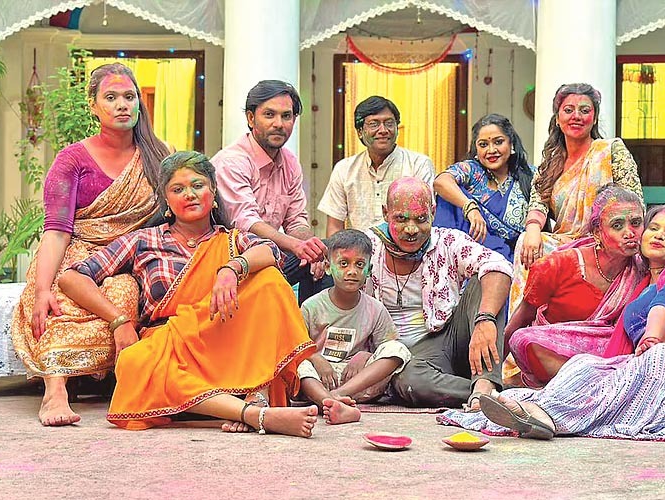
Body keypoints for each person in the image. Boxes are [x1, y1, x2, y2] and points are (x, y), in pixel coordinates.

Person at [439, 205, 665, 447]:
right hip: (650, 370)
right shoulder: (639, 284)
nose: (659, 234)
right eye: (654, 227)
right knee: (586, 364)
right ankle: (532, 407)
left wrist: (652, 338)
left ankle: (553, 418)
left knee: (661, 356)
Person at [58, 151, 319, 436]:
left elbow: (271, 252)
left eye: (198, 185)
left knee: (269, 279)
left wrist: (231, 268)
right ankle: (254, 414)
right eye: (178, 189)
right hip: (172, 344)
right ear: (166, 199)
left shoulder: (232, 240)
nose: (190, 195)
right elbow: (72, 278)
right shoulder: (144, 240)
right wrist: (118, 321)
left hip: (225, 341)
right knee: (133, 364)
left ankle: (254, 396)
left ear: (213, 192)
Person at [11, 63, 170, 427]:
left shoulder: (159, 157)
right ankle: (55, 391)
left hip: (127, 257)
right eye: (110, 97)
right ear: (93, 106)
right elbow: (57, 231)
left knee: (124, 294)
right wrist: (41, 288)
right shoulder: (72, 159)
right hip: (75, 249)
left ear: (139, 103)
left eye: (129, 97)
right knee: (59, 299)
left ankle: (130, 384)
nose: (122, 105)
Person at [365, 177, 512, 408]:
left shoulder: (448, 240)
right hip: (401, 359)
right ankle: (491, 395)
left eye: (420, 219)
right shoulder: (368, 246)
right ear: (386, 213)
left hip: (449, 337)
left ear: (433, 213)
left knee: (487, 278)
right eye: (401, 219)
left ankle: (485, 383)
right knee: (410, 381)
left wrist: (485, 319)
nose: (411, 229)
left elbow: (499, 266)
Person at [511, 82, 643, 311]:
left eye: (584, 110)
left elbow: (635, 201)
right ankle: (523, 322)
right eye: (568, 110)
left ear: (594, 117)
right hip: (565, 242)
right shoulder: (551, 163)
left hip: (605, 241)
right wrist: (532, 231)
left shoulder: (610, 151)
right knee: (527, 243)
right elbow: (538, 203)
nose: (576, 116)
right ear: (557, 118)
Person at [504, 185, 646, 388]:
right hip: (559, 359)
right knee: (522, 339)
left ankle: (596, 386)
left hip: (614, 358)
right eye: (617, 225)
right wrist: (488, 379)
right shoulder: (556, 265)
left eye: (636, 223)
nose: (630, 233)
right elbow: (518, 323)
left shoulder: (645, 269)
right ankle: (596, 385)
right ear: (597, 232)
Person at [212, 80, 329, 303]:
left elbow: (296, 220)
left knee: (323, 261)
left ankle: (307, 325)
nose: (279, 124)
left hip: (268, 258)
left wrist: (311, 247)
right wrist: (296, 246)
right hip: (229, 261)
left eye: (286, 116)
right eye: (269, 115)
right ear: (250, 118)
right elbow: (246, 222)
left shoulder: (290, 162)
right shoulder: (232, 162)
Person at [297, 229, 411, 424]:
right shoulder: (311, 306)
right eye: (343, 263)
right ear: (328, 267)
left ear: (369, 269)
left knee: (398, 349)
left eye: (359, 264)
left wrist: (364, 356)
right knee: (299, 365)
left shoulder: (375, 309)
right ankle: (329, 402)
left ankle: (336, 398)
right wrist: (316, 358)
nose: (352, 271)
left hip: (358, 382)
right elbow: (296, 346)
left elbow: (386, 348)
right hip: (319, 381)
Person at [318, 96, 435, 236]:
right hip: (358, 249)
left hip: (408, 246)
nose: (383, 130)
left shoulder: (418, 164)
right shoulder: (344, 169)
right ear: (360, 132)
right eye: (374, 124)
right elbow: (335, 226)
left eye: (389, 123)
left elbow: (425, 220)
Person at [433, 113, 536, 262]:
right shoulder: (473, 171)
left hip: (518, 259)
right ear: (476, 149)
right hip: (474, 257)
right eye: (483, 145)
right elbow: (440, 182)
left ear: (511, 143)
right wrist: (470, 208)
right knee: (448, 197)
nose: (491, 150)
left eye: (498, 142)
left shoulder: (531, 176)